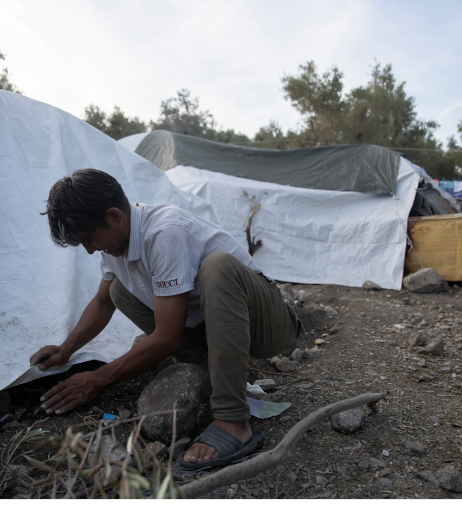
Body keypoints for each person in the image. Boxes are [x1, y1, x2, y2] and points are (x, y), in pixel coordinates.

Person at [30, 169, 304, 468]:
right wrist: (67, 348)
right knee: (120, 290)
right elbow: (102, 301)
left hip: (268, 326)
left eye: (90, 238)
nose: (90, 249)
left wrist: (97, 379)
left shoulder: (164, 232)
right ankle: (212, 373)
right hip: (215, 330)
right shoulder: (115, 247)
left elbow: (168, 338)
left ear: (114, 216)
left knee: (218, 266)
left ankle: (233, 420)